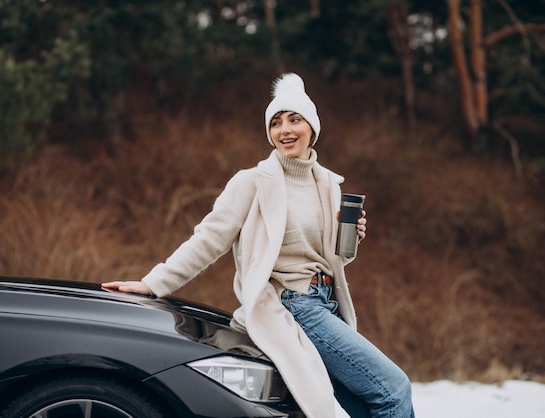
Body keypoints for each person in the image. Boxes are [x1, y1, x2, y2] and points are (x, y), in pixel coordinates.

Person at [102, 73, 415, 418]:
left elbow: (326, 259)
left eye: (294, 119)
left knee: (370, 404)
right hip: (295, 305)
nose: (285, 130)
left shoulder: (328, 184)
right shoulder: (251, 183)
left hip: (329, 305)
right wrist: (152, 284)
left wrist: (351, 239)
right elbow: (207, 240)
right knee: (393, 390)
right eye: (276, 122)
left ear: (312, 126)